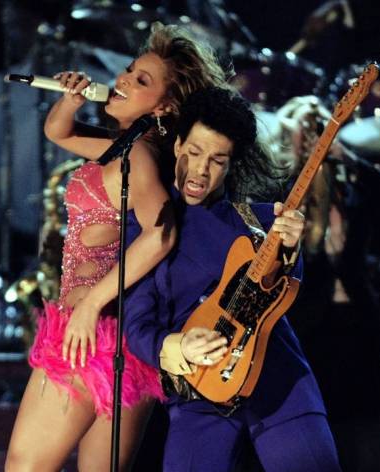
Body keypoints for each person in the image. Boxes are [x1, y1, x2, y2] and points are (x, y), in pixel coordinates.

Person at [5, 23, 232, 472]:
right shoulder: (123, 147)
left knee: (24, 467)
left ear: (164, 107)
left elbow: (161, 233)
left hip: (88, 333)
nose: (123, 80)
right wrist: (70, 100)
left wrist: (90, 305)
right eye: (129, 70)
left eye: (141, 80)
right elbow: (59, 132)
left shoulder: (138, 157)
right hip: (124, 339)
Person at [124, 86, 341, 471]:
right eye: (194, 152)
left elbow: (287, 290)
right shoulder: (146, 225)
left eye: (217, 160)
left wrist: (290, 249)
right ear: (177, 145)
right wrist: (176, 347)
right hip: (199, 393)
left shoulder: (263, 220)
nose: (201, 170)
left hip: (279, 384)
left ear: (230, 165)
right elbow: (136, 323)